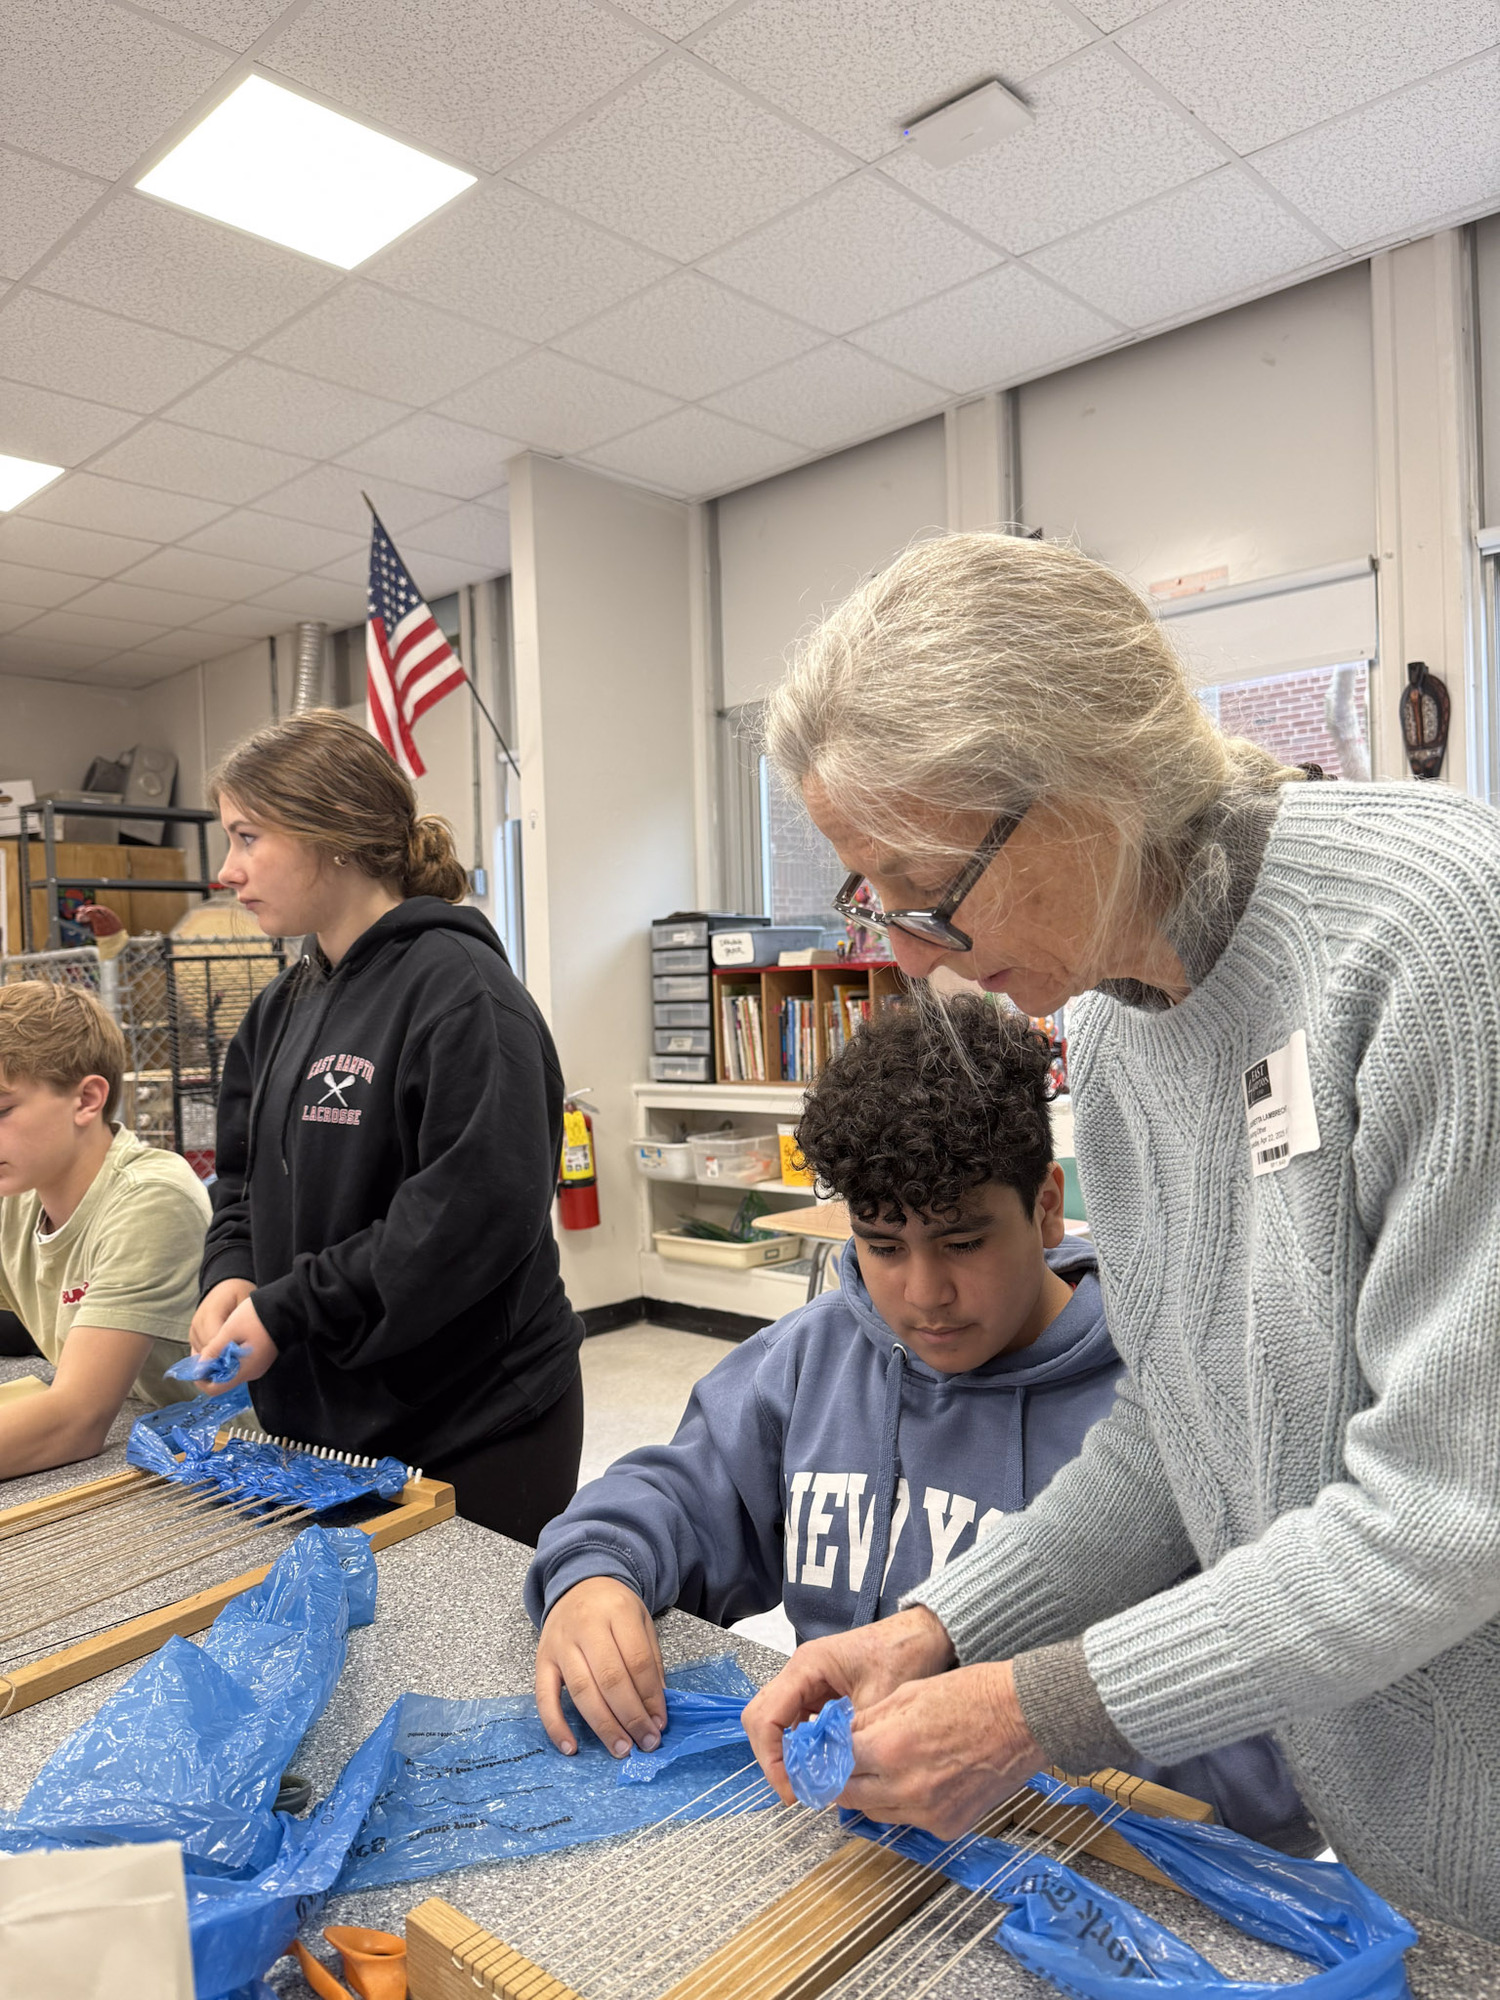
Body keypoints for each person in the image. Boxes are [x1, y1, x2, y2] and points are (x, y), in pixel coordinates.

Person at [737, 530, 1500, 1938]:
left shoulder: (1442, 937)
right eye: (874, 900)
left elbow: (1447, 1516)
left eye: (925, 889)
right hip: (1399, 1852)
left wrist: (1041, 1712)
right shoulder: (1107, 1022)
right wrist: (941, 1630)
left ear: (1086, 779)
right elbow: (1173, 1432)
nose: (905, 956)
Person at [527, 996, 1311, 1850]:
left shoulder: (1170, 1398)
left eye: (964, 1242)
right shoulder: (811, 1358)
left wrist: (1035, 1744)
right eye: (884, 1246)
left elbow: (1275, 1755)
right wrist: (595, 1575)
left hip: (1099, 1872)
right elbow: (669, 1497)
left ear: (1048, 1205)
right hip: (855, 1855)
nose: (924, 1293)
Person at [189, 709, 583, 1543]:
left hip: (473, 1424)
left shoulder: (463, 993)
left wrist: (290, 1309)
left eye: (248, 837)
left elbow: (465, 1218)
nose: (228, 870)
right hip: (328, 1425)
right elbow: (241, 1181)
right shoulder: (279, 1009)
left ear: (330, 834)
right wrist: (231, 1273)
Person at [0, 980, 210, 1477]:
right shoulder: (18, 1190)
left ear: (87, 1099)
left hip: (246, 1464)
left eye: (2, 1110)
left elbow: (74, 1422)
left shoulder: (152, 1197)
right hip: (146, 1438)